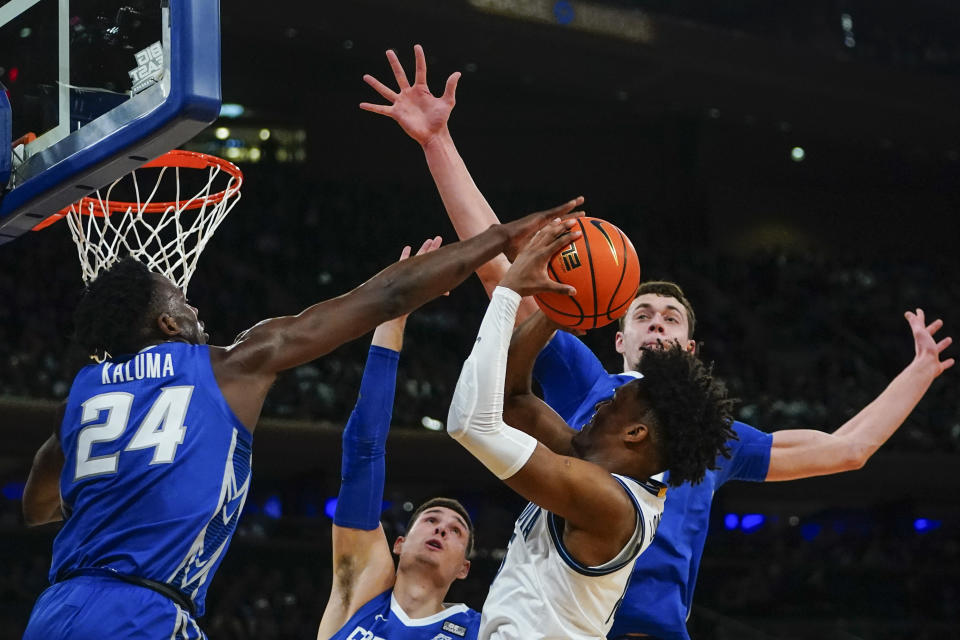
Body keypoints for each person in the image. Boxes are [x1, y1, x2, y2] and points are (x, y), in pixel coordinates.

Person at [361, 45, 956, 639]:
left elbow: (847, 448)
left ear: (690, 352)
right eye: (643, 313)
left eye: (672, 318)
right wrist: (437, 142)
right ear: (616, 334)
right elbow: (504, 274)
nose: (658, 323)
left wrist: (920, 371)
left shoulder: (715, 440)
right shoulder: (591, 386)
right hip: (563, 614)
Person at [19, 203, 581, 640]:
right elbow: (386, 294)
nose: (197, 312)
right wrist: (503, 239)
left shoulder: (81, 397)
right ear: (168, 322)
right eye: (183, 302)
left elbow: (38, 506)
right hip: (143, 611)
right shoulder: (231, 365)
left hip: (56, 606)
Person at [446, 220, 736, 639]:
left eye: (612, 403)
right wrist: (552, 309)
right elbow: (512, 401)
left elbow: (470, 420)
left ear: (635, 434)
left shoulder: (607, 501)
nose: (600, 404)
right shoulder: (599, 467)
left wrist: (510, 291)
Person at [318, 238, 481, 640]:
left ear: (464, 567)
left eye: (456, 531)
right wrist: (394, 315)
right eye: (431, 520)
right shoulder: (360, 590)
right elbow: (362, 450)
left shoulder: (482, 629)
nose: (441, 529)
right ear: (399, 545)